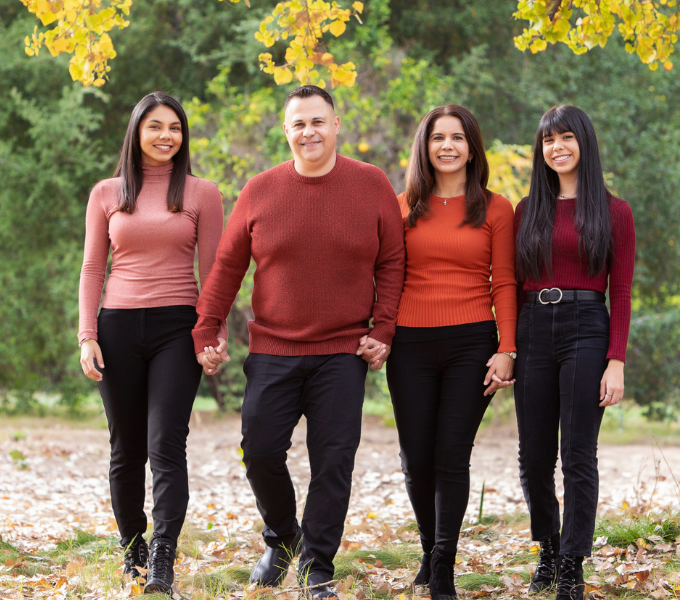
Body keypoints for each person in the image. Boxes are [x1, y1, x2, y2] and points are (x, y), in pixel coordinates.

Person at [193, 85, 405, 600]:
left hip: (341, 351)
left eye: (317, 121)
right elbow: (226, 267)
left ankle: (317, 563)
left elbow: (393, 261)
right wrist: (207, 327)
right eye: (298, 124)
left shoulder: (371, 184)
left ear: (336, 124)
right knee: (260, 449)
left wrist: (383, 328)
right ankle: (283, 537)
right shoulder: (260, 190)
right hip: (273, 350)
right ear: (285, 131)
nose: (308, 132)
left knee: (334, 459)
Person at [76, 91, 224, 594]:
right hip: (117, 326)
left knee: (166, 443)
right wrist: (87, 335)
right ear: (137, 132)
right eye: (155, 126)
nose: (166, 136)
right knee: (126, 448)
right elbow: (93, 267)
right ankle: (132, 549)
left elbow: (215, 273)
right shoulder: (106, 192)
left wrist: (213, 333)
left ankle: (164, 554)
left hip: (176, 330)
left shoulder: (202, 193)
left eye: (175, 128)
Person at [387, 105, 518, 600]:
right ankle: (428, 549)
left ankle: (443, 563)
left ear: (471, 147)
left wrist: (507, 349)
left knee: (450, 454)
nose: (447, 146)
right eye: (438, 137)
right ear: (424, 146)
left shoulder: (496, 208)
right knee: (415, 458)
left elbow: (504, 281)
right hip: (410, 345)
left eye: (457, 138)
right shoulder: (400, 208)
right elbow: (388, 277)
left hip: (473, 343)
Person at [512, 105, 635, 599]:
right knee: (533, 456)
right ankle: (547, 546)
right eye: (547, 141)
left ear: (584, 143)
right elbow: (511, 281)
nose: (556, 147)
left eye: (566, 138)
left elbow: (621, 291)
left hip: (587, 326)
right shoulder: (527, 211)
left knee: (577, 453)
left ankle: (572, 563)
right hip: (533, 328)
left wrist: (616, 360)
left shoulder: (614, 211)